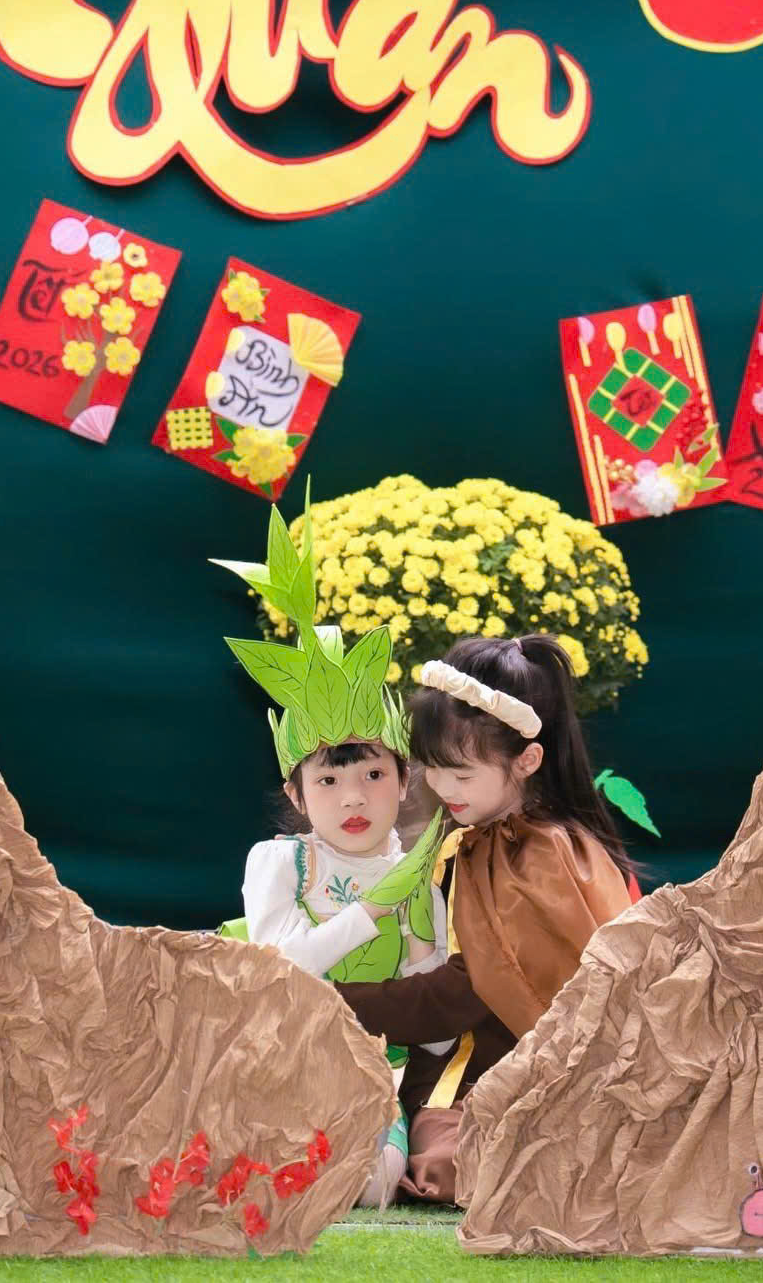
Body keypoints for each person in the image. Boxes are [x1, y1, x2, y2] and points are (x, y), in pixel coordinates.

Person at [335, 634, 639, 1202]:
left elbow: (467, 992)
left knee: (460, 1162)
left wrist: (331, 1001)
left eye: (461, 774)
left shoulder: (535, 851)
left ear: (527, 760)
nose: (441, 787)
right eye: (431, 769)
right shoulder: (490, 835)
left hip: (497, 1076)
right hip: (469, 1066)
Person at [213, 495, 450, 1208]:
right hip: (272, 1065)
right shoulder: (279, 863)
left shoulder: (421, 880)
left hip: (372, 1080)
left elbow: (436, 1031)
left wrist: (422, 942)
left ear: (404, 781)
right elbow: (281, 967)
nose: (353, 798)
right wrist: (373, 909)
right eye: (328, 780)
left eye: (373, 775)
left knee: (371, 1183)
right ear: (297, 791)